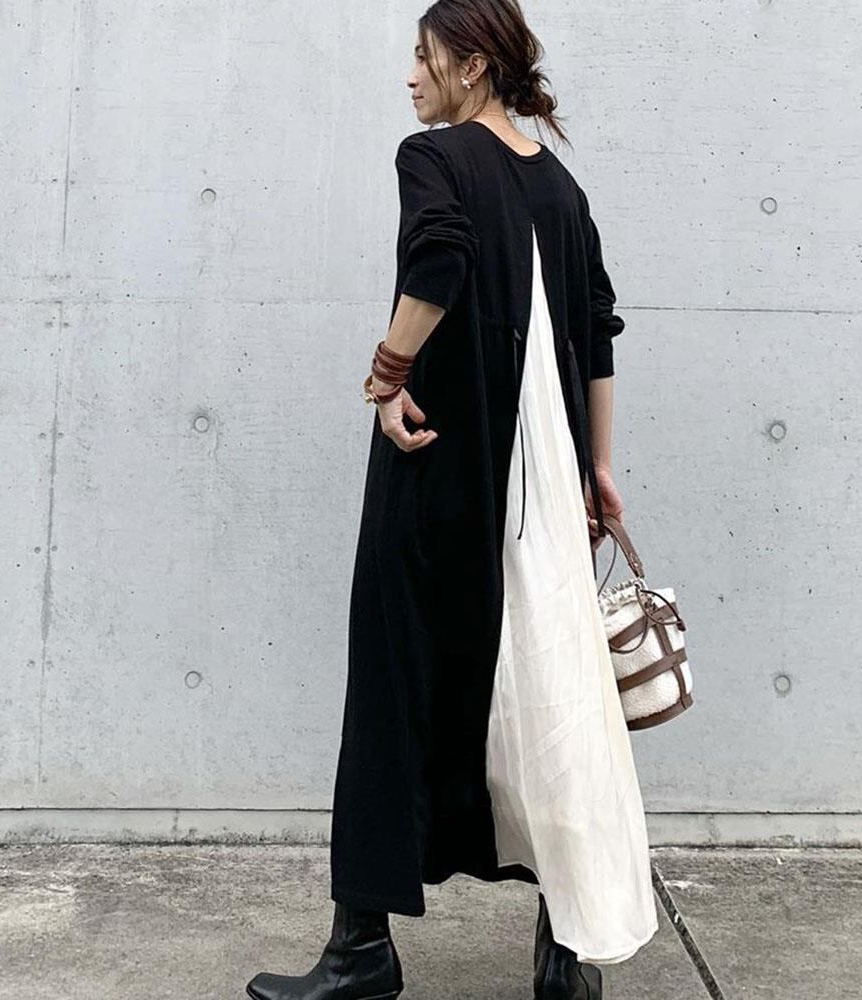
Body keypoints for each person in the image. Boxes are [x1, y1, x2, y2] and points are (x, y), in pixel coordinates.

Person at [245, 2, 658, 998]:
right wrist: (600, 470)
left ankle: (361, 949)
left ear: (471, 66)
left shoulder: (432, 158)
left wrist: (388, 374)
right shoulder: (559, 185)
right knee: (550, 692)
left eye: (423, 58)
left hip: (442, 470)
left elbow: (438, 258)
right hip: (546, 487)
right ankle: (567, 953)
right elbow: (597, 329)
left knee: (394, 687)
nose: (410, 76)